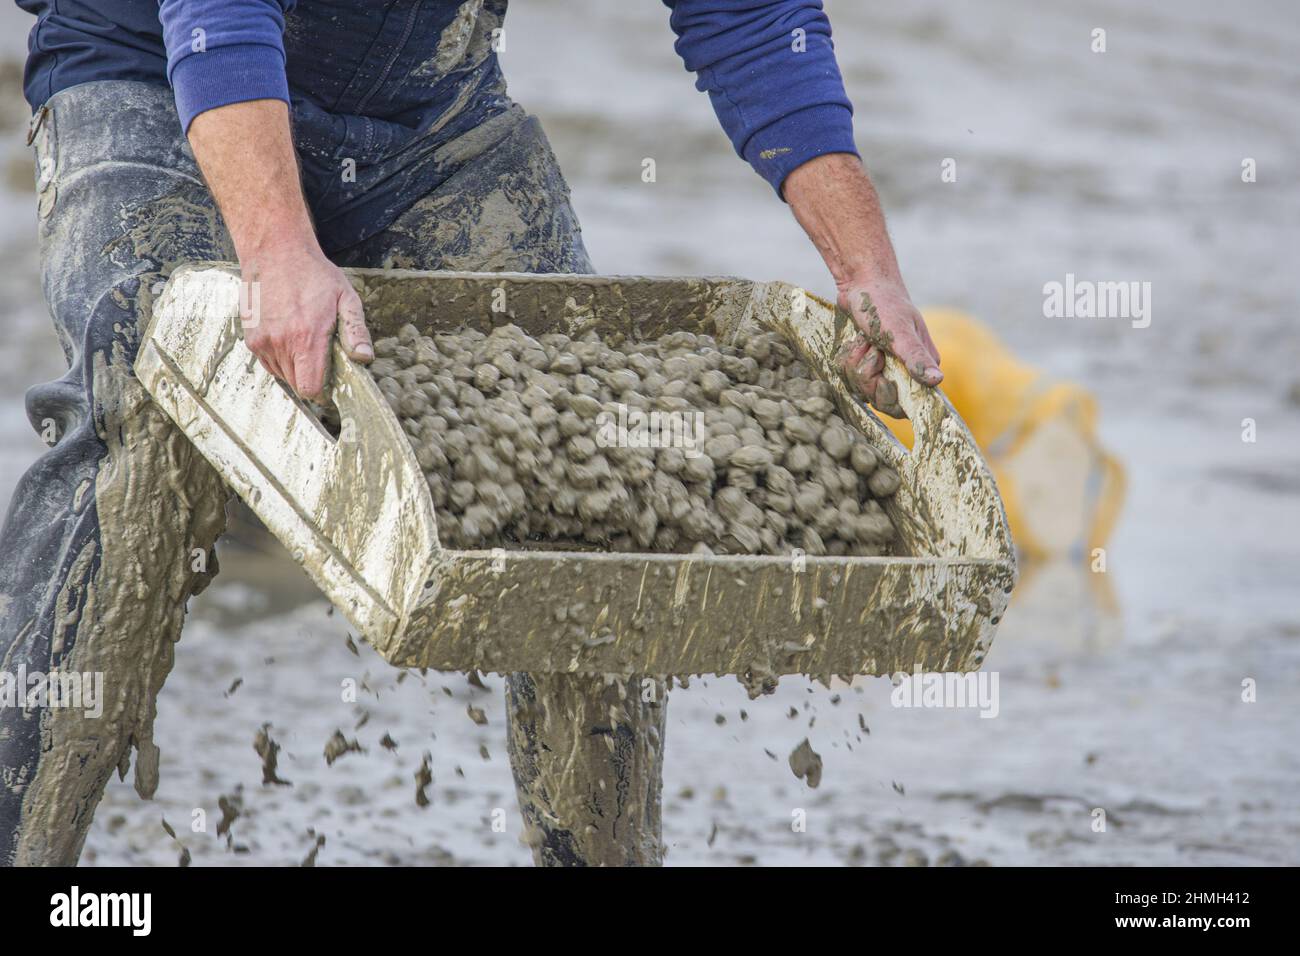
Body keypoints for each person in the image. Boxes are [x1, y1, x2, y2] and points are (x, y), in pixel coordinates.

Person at [0, 0, 941, 866]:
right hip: (150, 64)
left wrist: (866, 270)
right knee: (149, 415)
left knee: (593, 450)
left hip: (422, 107)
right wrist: (279, 245)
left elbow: (746, 11)